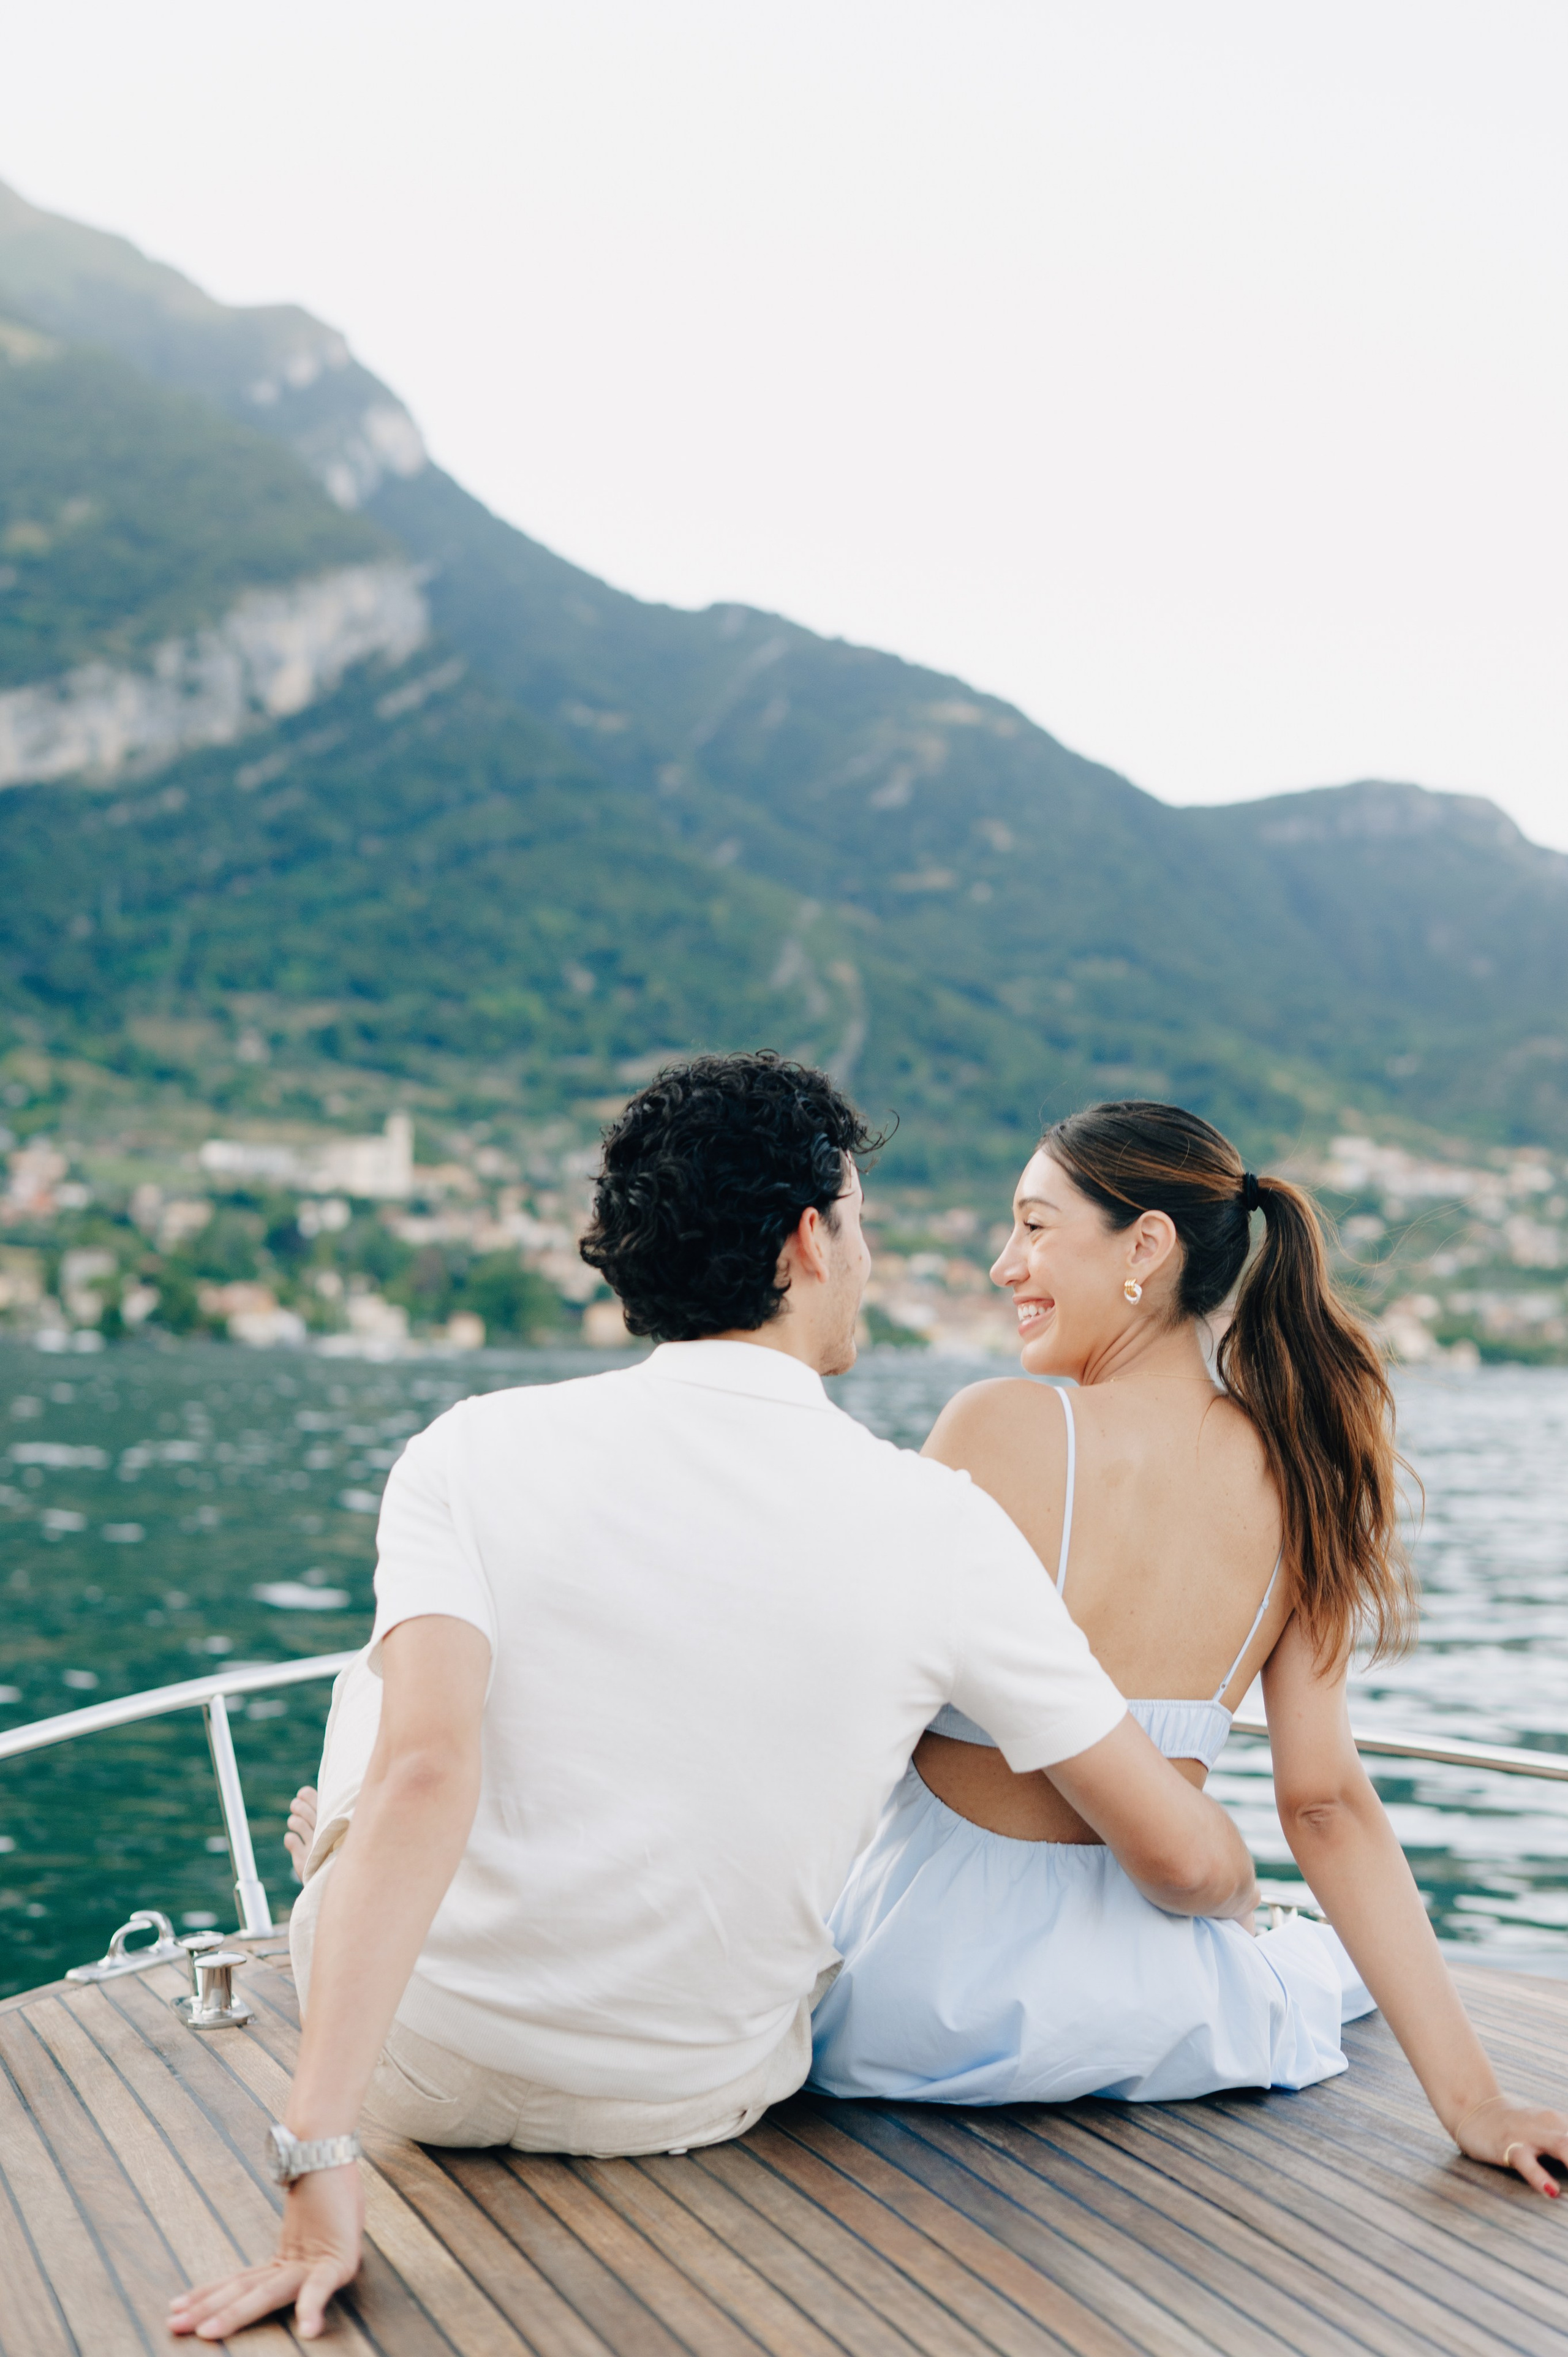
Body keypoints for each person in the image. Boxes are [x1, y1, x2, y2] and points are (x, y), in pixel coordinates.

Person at [170, 1055, 1257, 2344]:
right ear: (806, 1241)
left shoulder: (471, 1447)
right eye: (857, 1225)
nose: (866, 1257)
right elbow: (1184, 1860)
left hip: (424, 2064)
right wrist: (1250, 1887)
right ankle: (349, 1849)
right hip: (696, 2091)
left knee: (398, 1702)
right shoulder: (939, 1524)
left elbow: (430, 1774)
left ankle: (337, 1860)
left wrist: (314, 2168)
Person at [810, 1099, 1568, 2198]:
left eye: (1033, 1226)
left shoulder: (1000, 1427)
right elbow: (1325, 1805)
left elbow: (847, 1738)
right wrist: (1475, 2105)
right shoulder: (1307, 1472)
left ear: (1147, 1248)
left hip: (919, 2005)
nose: (1001, 1263)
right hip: (1161, 2014)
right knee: (1306, 1950)